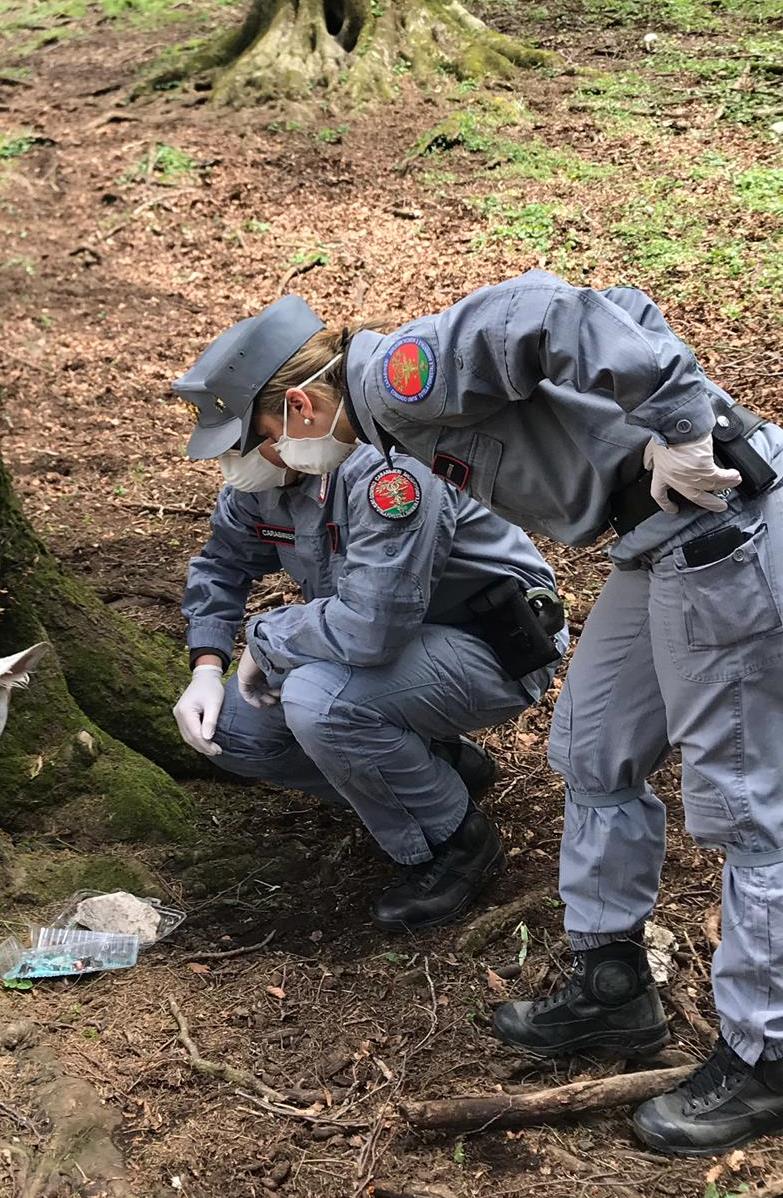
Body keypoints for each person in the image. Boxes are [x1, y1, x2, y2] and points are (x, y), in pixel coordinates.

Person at [175, 276, 783, 1156]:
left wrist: (686, 427)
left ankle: (764, 1053)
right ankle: (610, 984)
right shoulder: (377, 431)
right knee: (589, 751)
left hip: (721, 526)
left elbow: (562, 309)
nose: (259, 455)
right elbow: (624, 306)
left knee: (739, 803)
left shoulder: (397, 380)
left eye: (261, 433)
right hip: (650, 541)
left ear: (301, 404)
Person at [172, 296, 568, 933]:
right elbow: (221, 565)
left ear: (297, 410)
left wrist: (268, 641)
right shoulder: (270, 480)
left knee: (317, 699)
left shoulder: (388, 465)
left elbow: (372, 625)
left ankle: (456, 843)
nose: (235, 463)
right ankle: (441, 770)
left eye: (251, 441)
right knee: (235, 731)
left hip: (493, 644)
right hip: (393, 658)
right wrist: (207, 664)